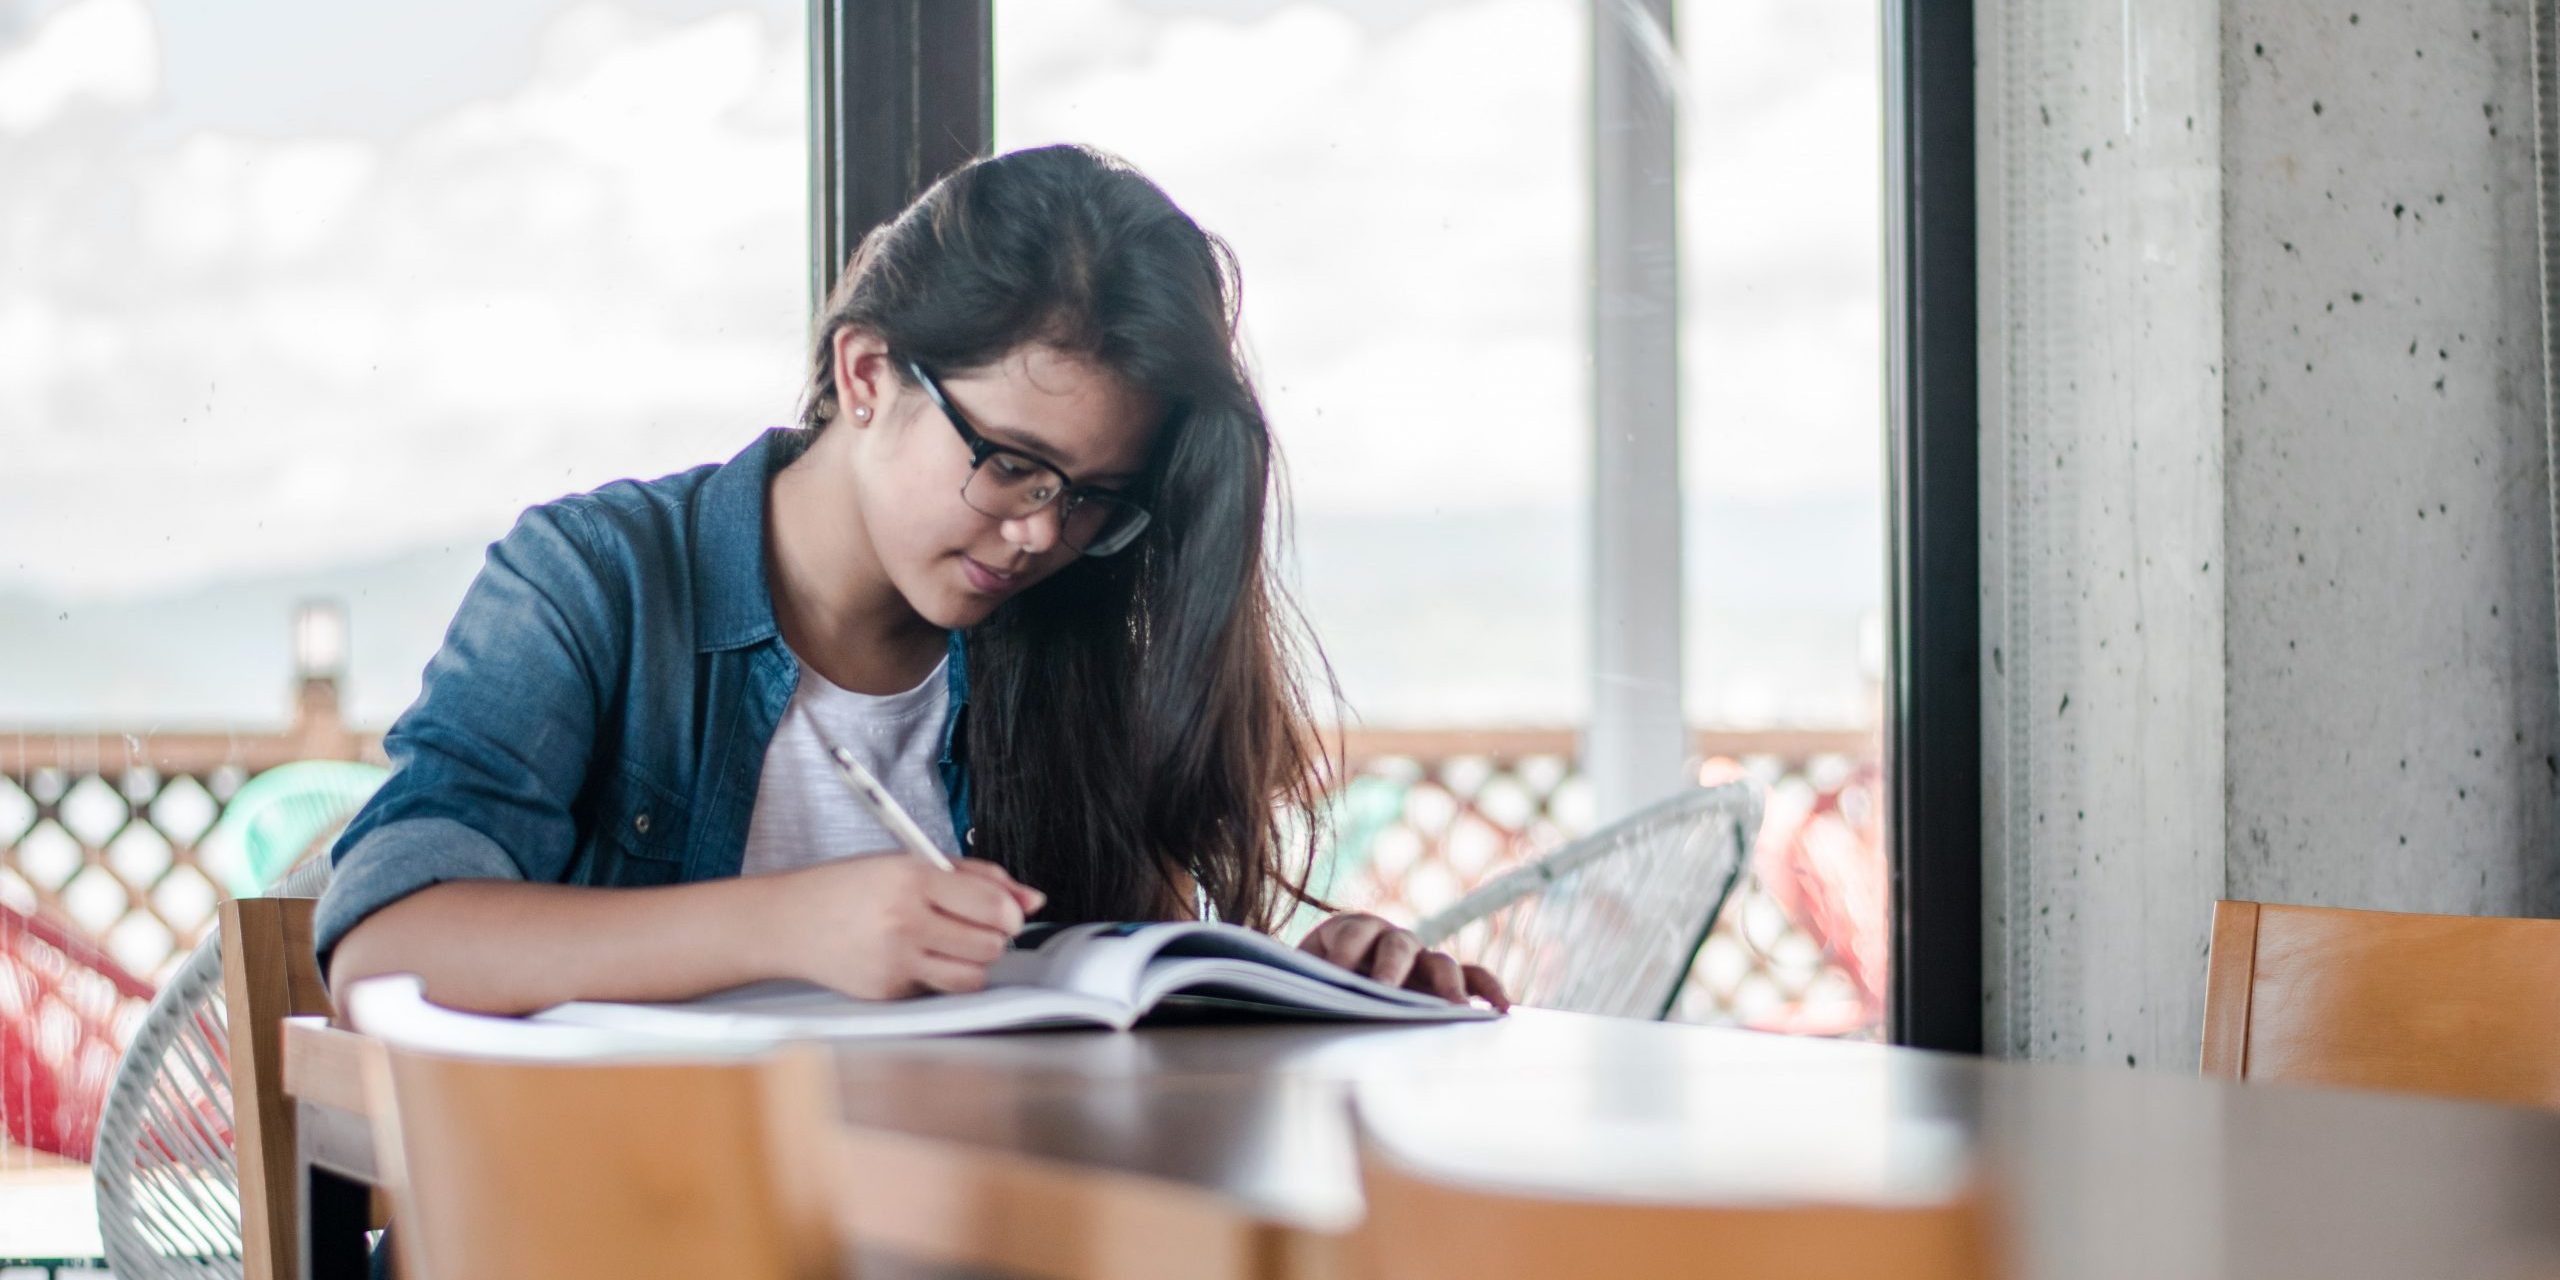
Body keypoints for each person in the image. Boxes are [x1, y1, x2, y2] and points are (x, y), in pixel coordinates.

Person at [318, 144, 1509, 1015]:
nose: (1043, 533)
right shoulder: (598, 579)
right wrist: (792, 921)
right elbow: (387, 942)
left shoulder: (1062, 640)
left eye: (1092, 494)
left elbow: (1126, 1007)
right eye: (1012, 465)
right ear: (870, 371)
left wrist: (1315, 982)